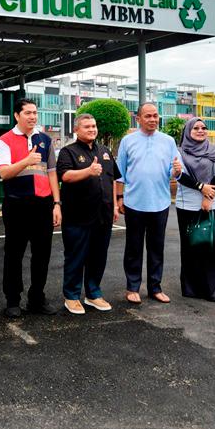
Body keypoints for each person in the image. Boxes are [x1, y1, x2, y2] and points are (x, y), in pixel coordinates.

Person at [0, 98, 62, 318]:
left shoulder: (44, 139)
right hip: (16, 204)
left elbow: (52, 172)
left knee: (42, 255)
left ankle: (37, 299)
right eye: (28, 113)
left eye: (35, 112)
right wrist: (26, 160)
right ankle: (13, 300)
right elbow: (4, 173)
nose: (33, 116)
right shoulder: (4, 140)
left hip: (43, 204)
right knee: (13, 254)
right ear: (17, 115)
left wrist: (56, 203)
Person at [116, 102, 182, 304]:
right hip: (134, 202)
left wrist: (177, 171)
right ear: (138, 119)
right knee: (133, 247)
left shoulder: (168, 141)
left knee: (156, 247)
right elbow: (119, 173)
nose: (153, 119)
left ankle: (155, 287)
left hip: (160, 202)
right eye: (148, 116)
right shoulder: (128, 141)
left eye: (155, 116)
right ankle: (132, 287)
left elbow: (175, 171)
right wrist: (119, 198)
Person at [56, 113, 119, 315]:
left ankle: (93, 293)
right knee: (76, 257)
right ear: (76, 129)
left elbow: (113, 179)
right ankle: (72, 296)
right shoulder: (68, 152)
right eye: (86, 126)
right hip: (78, 216)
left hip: (104, 215)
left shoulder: (105, 151)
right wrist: (88, 171)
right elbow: (65, 176)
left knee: (98, 257)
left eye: (93, 126)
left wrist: (116, 205)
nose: (91, 129)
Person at [174, 117, 215, 301]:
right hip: (187, 206)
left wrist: (208, 197)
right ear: (188, 131)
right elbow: (180, 176)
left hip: (214, 205)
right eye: (195, 128)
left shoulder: (214, 151)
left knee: (213, 245)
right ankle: (193, 288)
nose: (200, 130)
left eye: (203, 128)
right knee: (191, 247)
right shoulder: (179, 152)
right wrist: (201, 188)